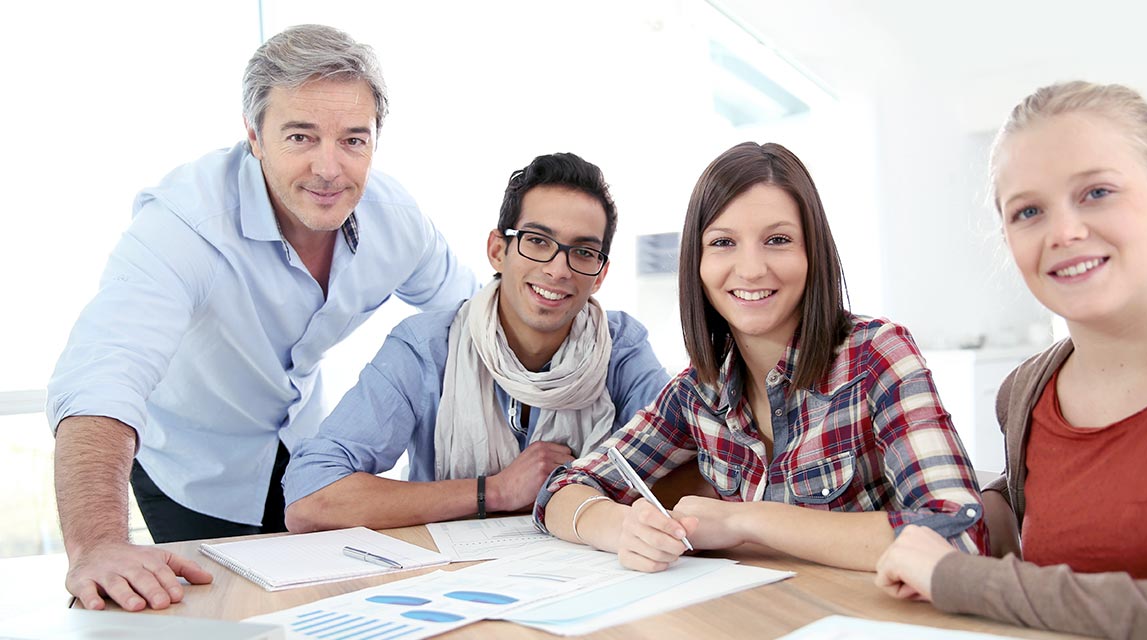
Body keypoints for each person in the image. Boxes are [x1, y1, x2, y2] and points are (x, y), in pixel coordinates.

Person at [46, 25, 475, 611]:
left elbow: (477, 323)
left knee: (323, 610)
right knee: (217, 614)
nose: (330, 168)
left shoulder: (396, 220)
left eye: (354, 140)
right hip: (193, 462)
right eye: (301, 136)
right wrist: (96, 545)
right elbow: (103, 376)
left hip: (305, 448)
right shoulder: (184, 227)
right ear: (255, 135)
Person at [874, 81, 1147, 638]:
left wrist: (959, 579)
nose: (1064, 232)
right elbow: (1027, 506)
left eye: (1097, 193)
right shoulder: (1023, 393)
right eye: (1028, 211)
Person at [535, 142, 986, 572]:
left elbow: (958, 534)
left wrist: (746, 520)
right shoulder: (697, 393)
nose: (750, 269)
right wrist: (620, 528)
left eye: (777, 240)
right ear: (697, 262)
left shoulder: (876, 356)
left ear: (813, 253)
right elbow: (560, 490)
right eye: (723, 242)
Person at [283, 152, 670, 531]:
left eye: (583, 253)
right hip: (447, 578)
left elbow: (687, 464)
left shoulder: (620, 347)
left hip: (586, 573)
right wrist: (495, 491)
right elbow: (310, 496)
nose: (557, 270)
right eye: (537, 241)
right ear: (498, 251)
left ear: (599, 275)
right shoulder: (427, 348)